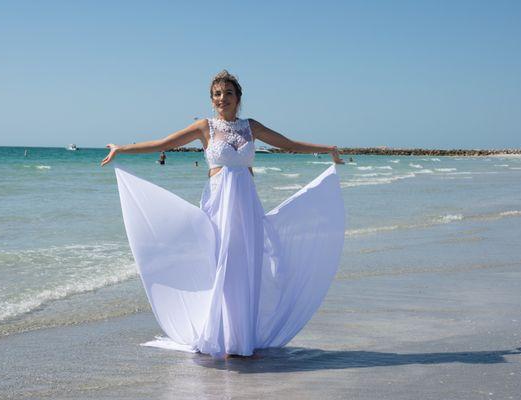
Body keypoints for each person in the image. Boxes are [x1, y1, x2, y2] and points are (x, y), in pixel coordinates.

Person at [101, 70, 346, 360]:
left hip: (247, 209)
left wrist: (327, 148)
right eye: (217, 94)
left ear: (238, 98)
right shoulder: (204, 127)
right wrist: (122, 149)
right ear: (212, 99)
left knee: (246, 268)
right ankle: (220, 335)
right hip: (219, 208)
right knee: (223, 267)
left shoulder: (250, 127)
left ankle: (241, 339)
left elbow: (288, 144)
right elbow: (163, 144)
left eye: (228, 93)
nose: (222, 98)